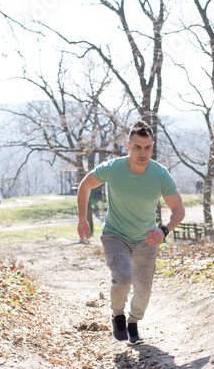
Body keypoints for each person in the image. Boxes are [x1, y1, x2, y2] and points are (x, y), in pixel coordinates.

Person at [77, 120, 185, 343]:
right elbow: (85, 185)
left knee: (143, 291)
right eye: (137, 147)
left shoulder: (160, 174)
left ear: (152, 147)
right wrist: (82, 219)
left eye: (147, 147)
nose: (142, 153)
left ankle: (133, 322)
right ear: (128, 145)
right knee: (124, 278)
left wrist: (164, 230)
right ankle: (117, 314)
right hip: (115, 235)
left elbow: (179, 210)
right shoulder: (113, 168)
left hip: (146, 240)